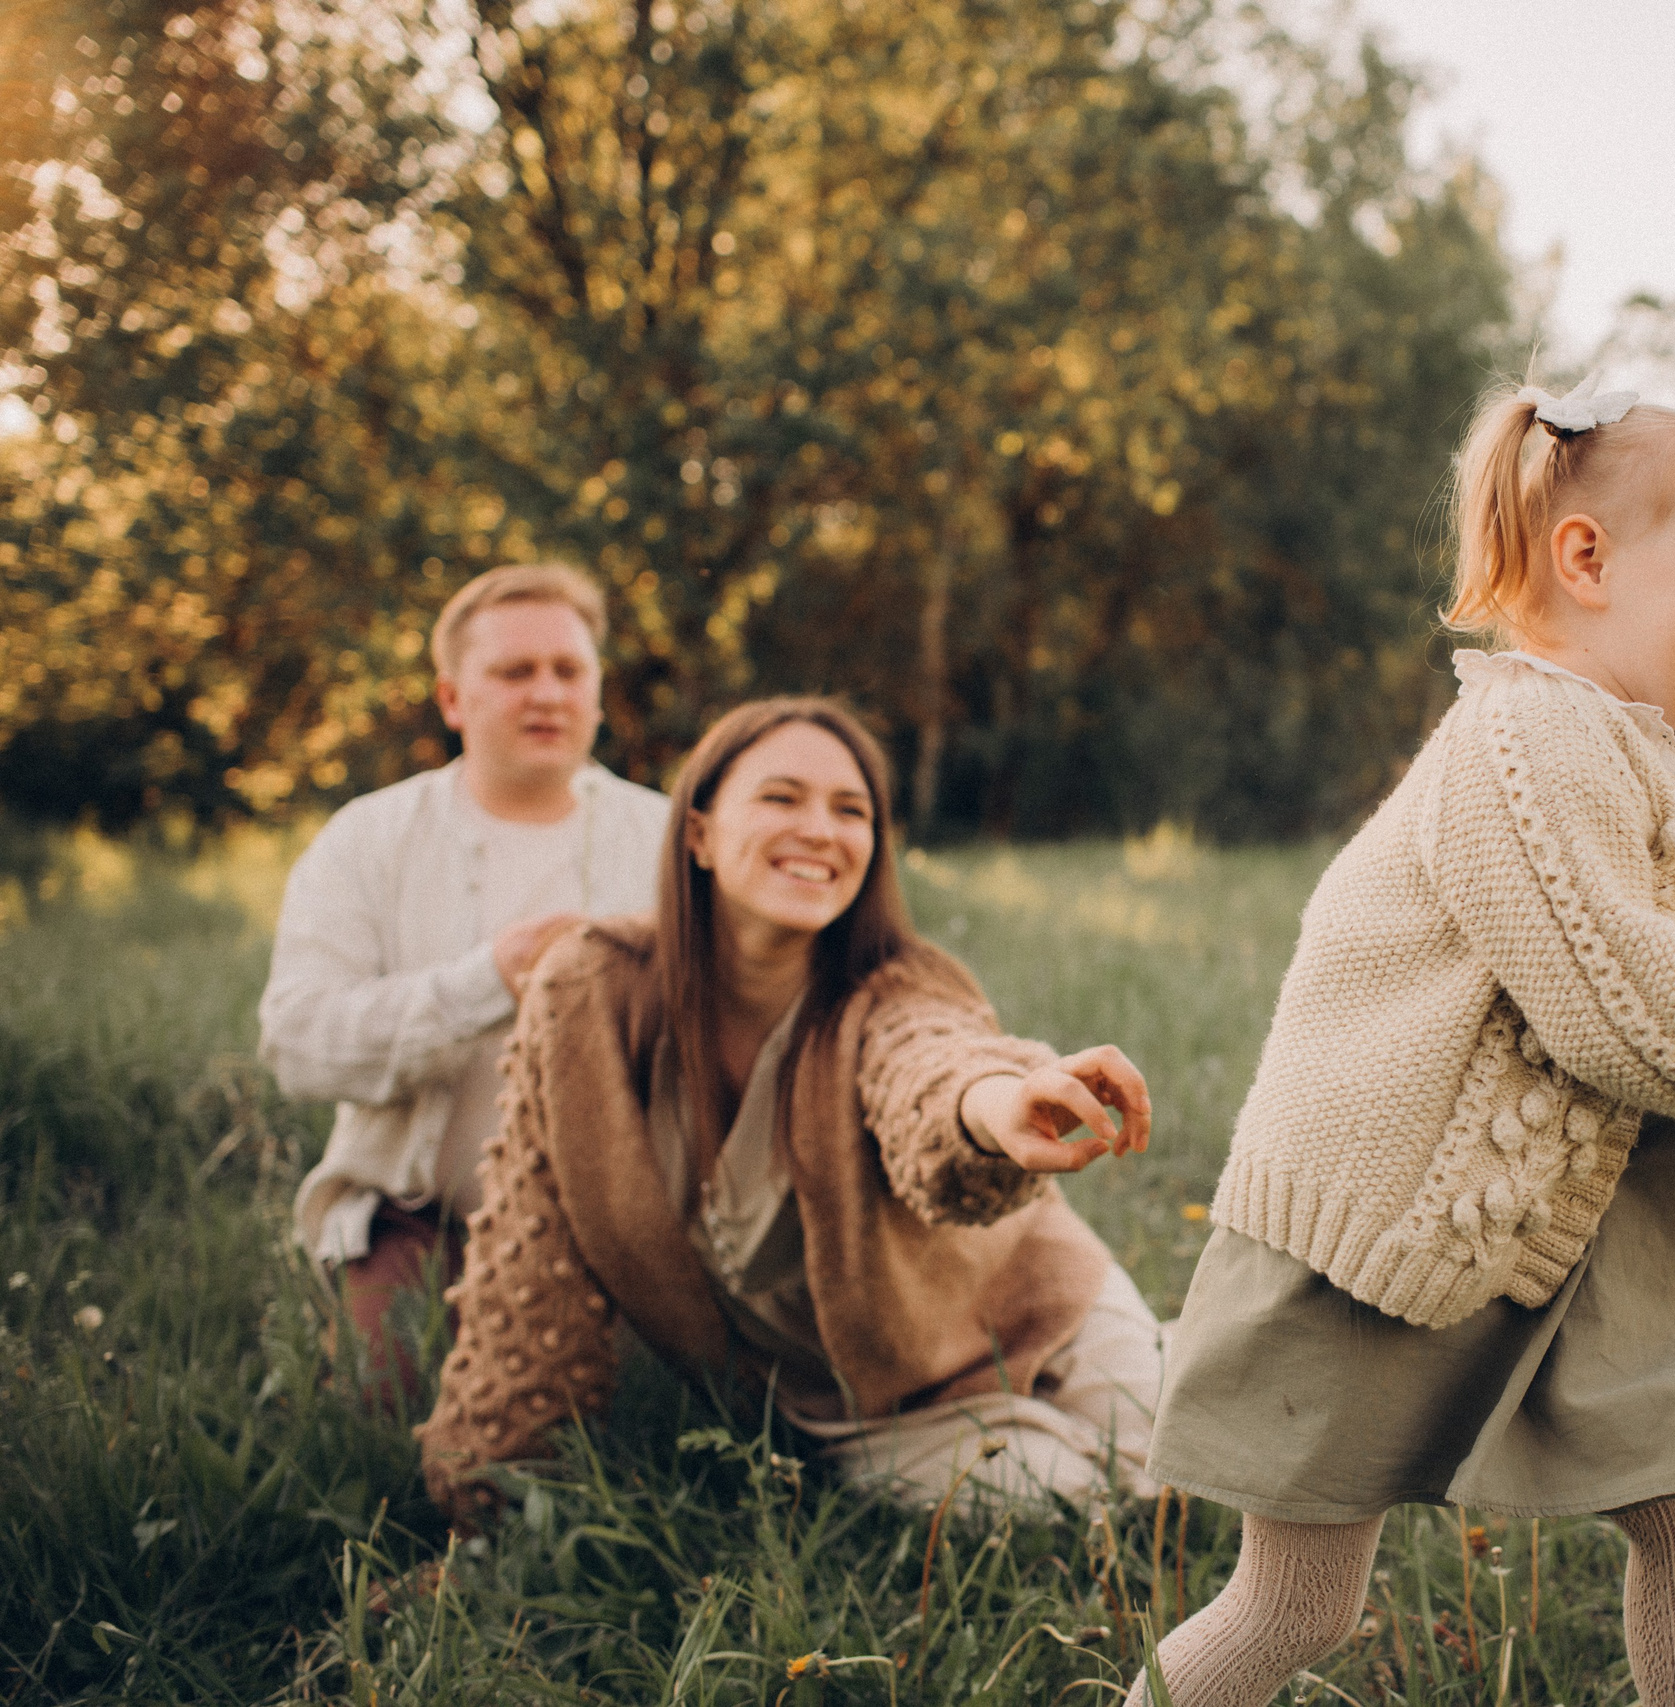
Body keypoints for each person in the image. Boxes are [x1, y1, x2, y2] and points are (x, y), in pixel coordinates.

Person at [1136, 378, 1675, 1706]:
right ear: (1587, 558)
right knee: (1300, 1599)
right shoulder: (1525, 737)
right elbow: (1623, 1009)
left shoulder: (1623, 747)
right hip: (1393, 1231)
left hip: (1584, 1235)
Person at [415, 697, 1163, 1520]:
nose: (820, 829)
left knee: (1184, 1466)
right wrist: (483, 1509)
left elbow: (931, 1064)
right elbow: (531, 1261)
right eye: (781, 798)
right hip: (868, 1402)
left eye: (851, 811)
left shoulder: (894, 987)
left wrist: (997, 1105)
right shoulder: (589, 991)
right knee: (1067, 1503)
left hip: (1036, 1296)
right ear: (697, 832)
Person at [260, 563, 668, 1396]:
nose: (546, 693)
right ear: (453, 699)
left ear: (597, 690)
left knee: (647, 1411)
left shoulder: (666, 837)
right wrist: (487, 980)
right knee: (394, 1403)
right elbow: (296, 1042)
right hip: (426, 1213)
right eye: (515, 671)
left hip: (632, 1217)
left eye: (568, 670)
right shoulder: (366, 839)